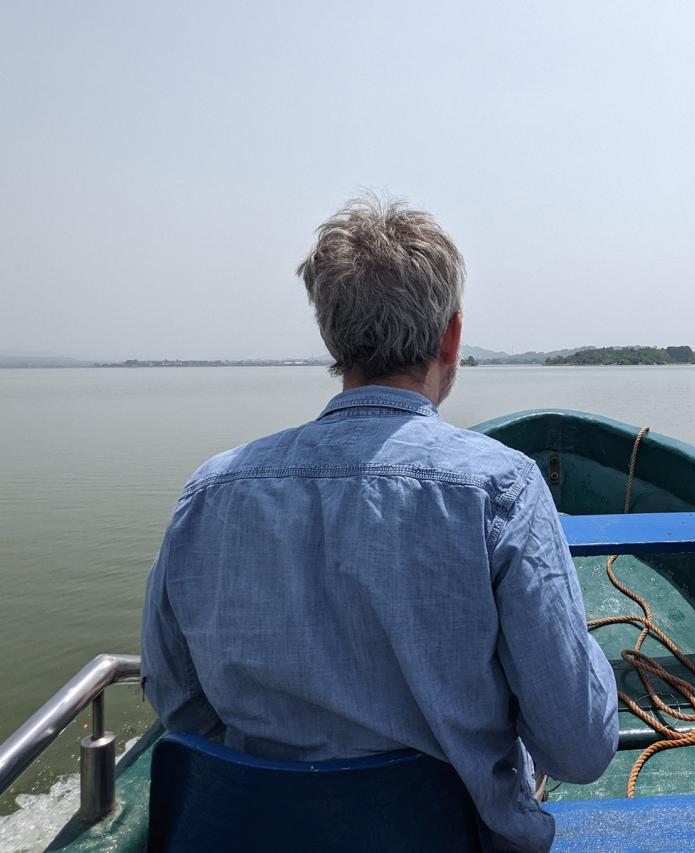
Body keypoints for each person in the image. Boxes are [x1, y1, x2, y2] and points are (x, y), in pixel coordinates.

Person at [141, 196, 618, 853]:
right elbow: (579, 748)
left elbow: (178, 699)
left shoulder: (208, 492)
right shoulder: (500, 489)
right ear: (451, 338)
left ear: (333, 341)